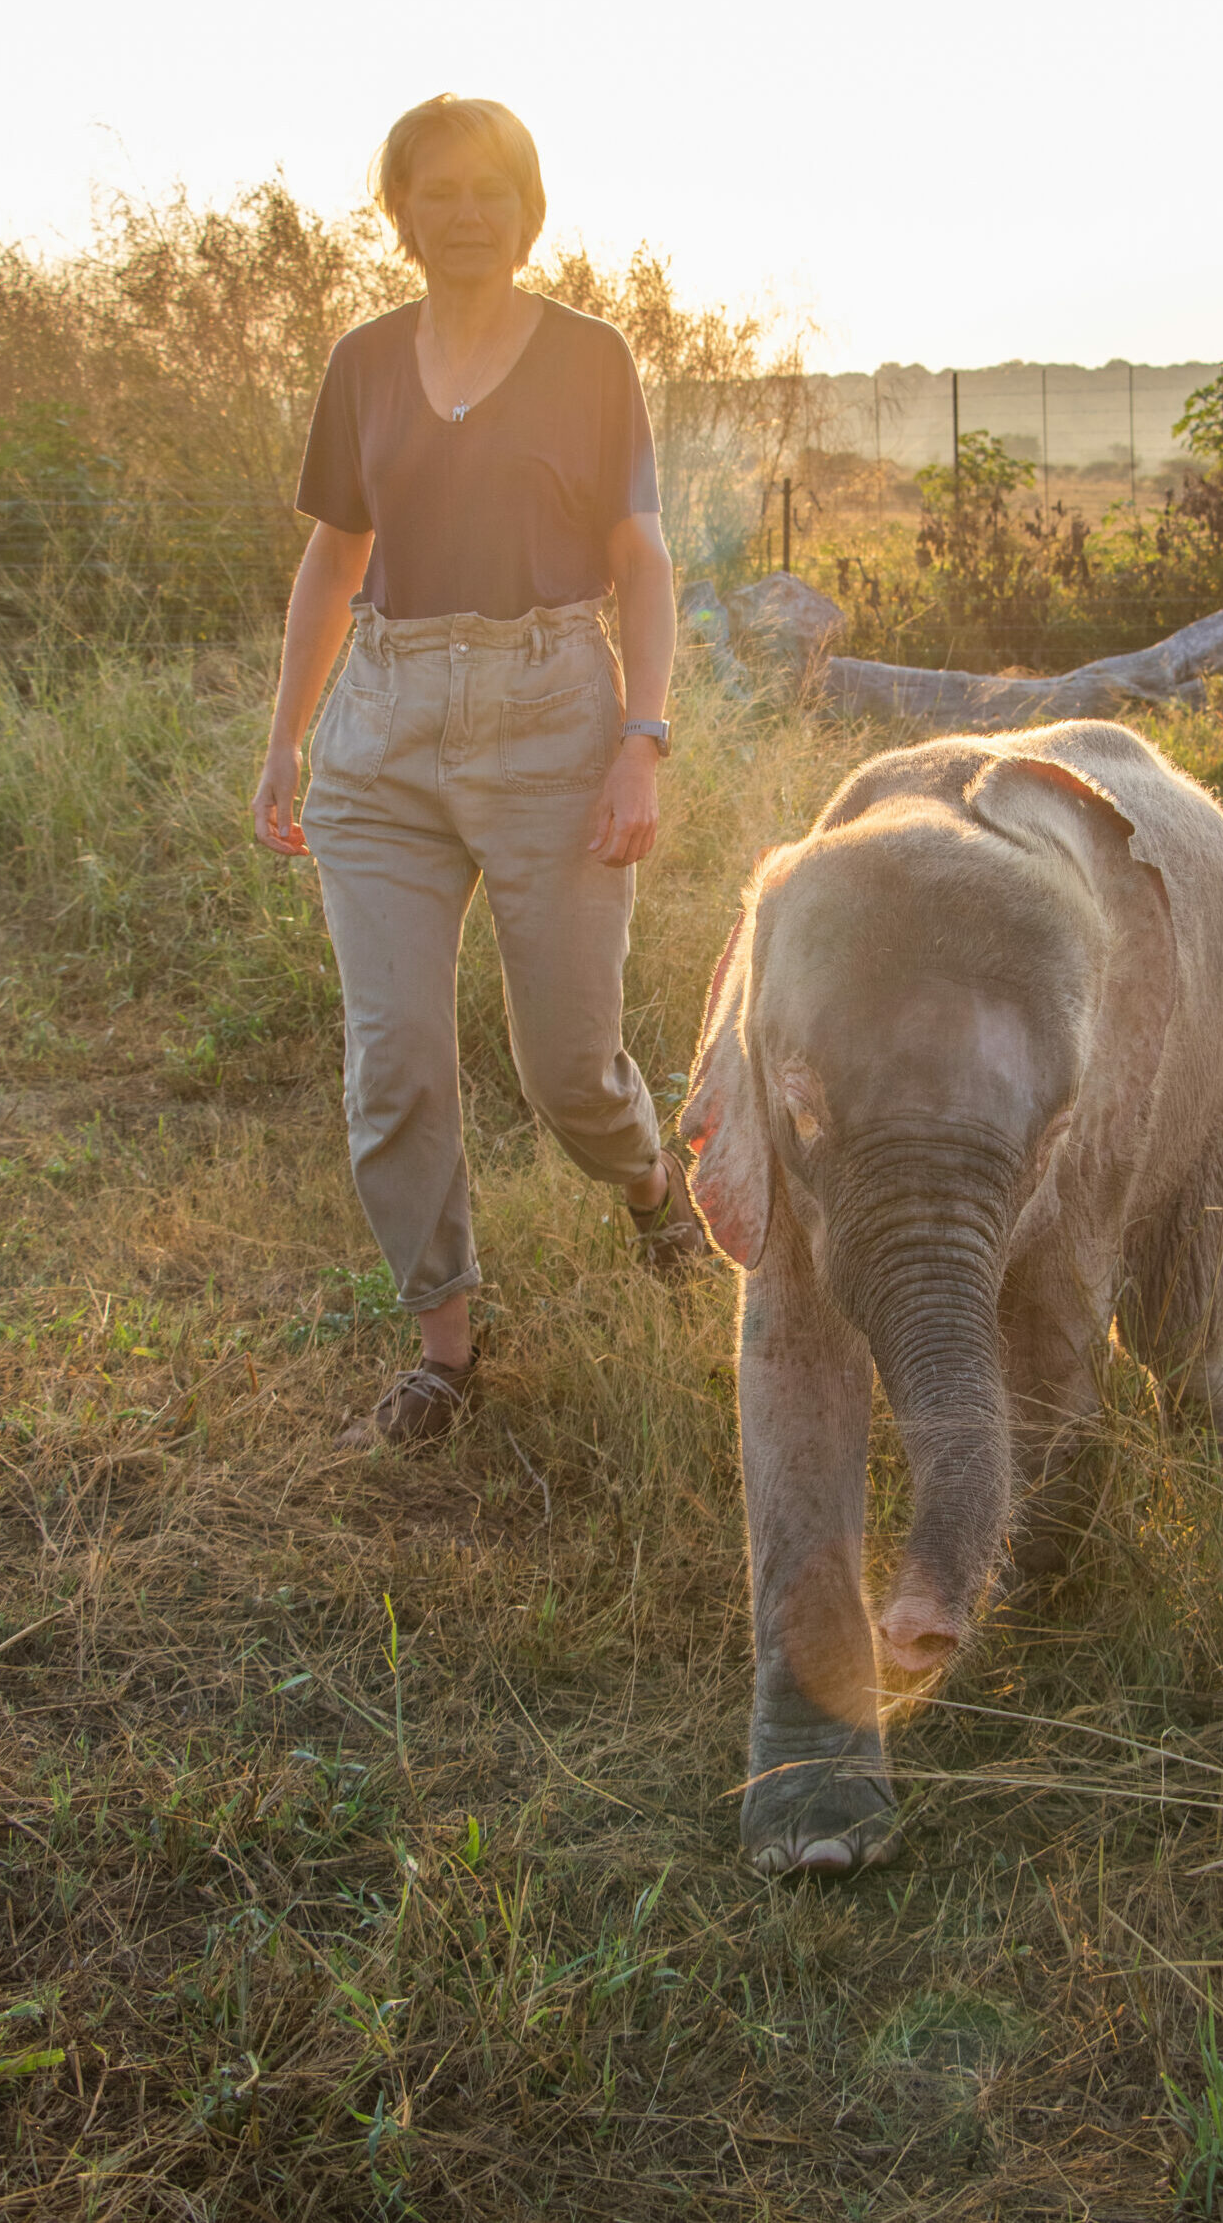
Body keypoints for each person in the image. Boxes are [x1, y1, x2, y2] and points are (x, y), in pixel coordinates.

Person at [250, 94, 705, 1449]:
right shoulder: (365, 362)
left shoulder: (589, 357)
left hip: (550, 717)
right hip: (380, 731)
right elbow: (334, 559)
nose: (462, 212)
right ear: (398, 211)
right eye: (434, 190)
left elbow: (641, 561)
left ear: (528, 206)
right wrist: (288, 732)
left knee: (567, 1065)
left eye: (486, 189)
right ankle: (446, 1339)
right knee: (395, 1060)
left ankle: (648, 1189)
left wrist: (642, 735)